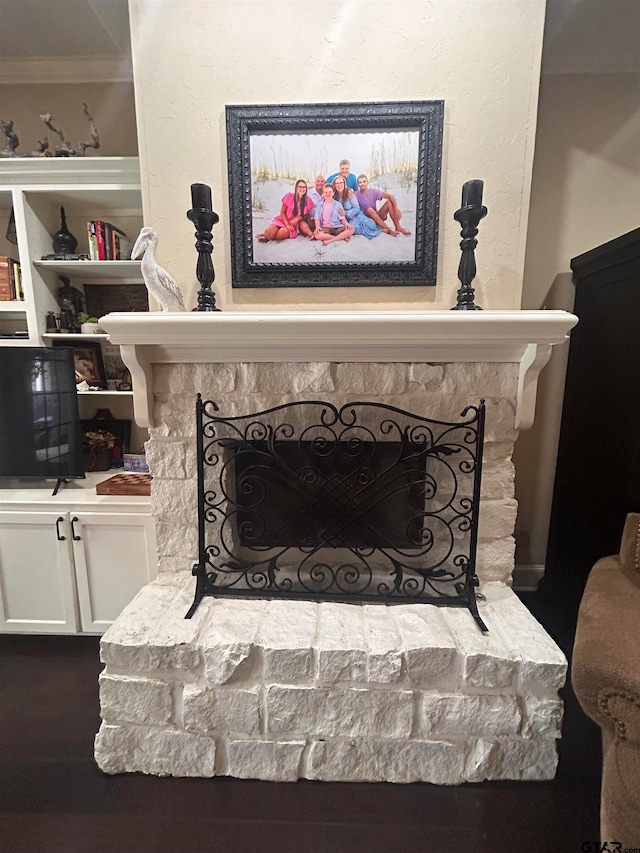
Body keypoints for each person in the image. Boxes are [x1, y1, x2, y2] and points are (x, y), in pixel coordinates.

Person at [331, 176, 382, 240]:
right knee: (349, 228)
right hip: (342, 220)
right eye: (337, 183)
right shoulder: (332, 196)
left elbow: (357, 208)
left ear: (344, 184)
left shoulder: (349, 194)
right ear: (334, 185)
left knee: (369, 225)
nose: (339, 185)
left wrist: (346, 213)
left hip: (356, 216)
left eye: (341, 182)